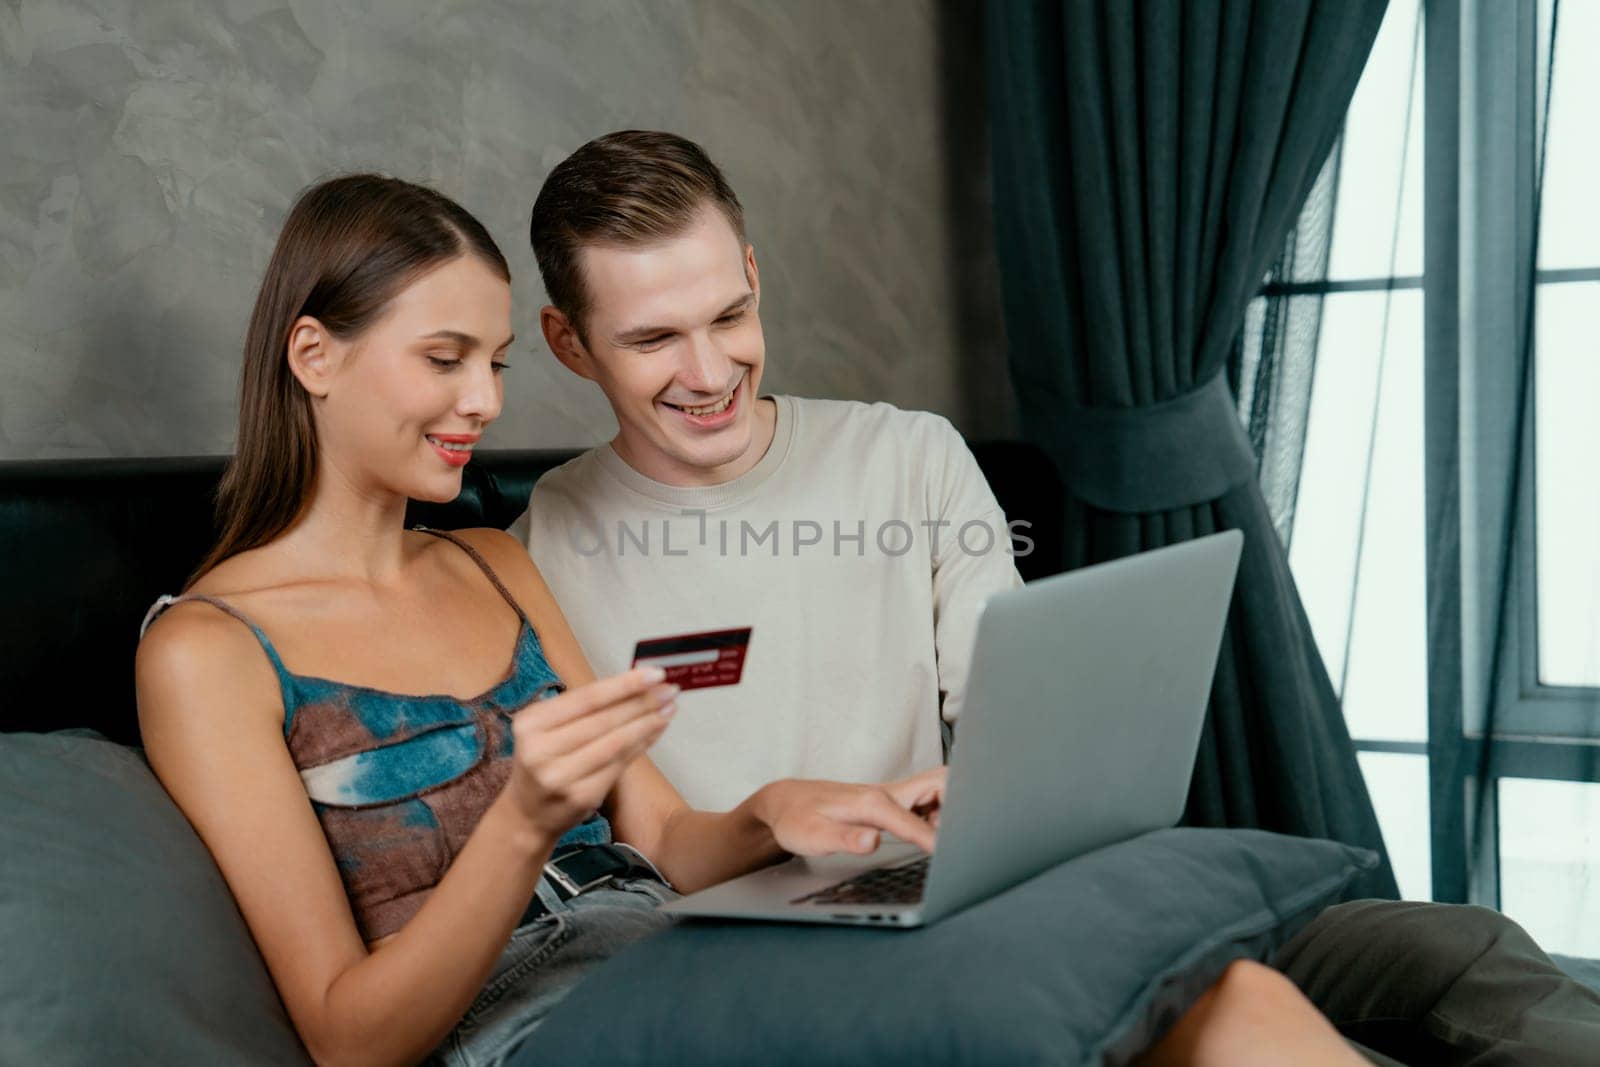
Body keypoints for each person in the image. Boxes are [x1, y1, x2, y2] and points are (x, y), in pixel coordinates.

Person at [135, 173, 1363, 1067]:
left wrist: (772, 809)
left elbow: (663, 832)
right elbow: (351, 1039)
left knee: (1229, 1005)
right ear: (313, 354)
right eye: (446, 358)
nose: (484, 400)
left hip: (694, 957)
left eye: (496, 361)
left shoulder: (494, 561)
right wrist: (520, 820)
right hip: (550, 1029)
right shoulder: (205, 650)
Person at [521, 130, 1600, 1067]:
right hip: (815, 944)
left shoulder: (907, 454)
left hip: (1004, 882)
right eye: (653, 338)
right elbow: (629, 846)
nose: (708, 371)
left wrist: (1006, 790)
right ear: (569, 341)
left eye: (729, 314)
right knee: (1241, 1018)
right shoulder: (543, 550)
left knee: (1460, 949)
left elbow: (1011, 708)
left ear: (755, 273)